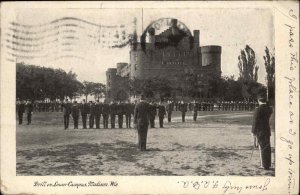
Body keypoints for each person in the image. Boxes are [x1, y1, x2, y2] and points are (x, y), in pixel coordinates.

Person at [251, 96, 273, 170]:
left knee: (262, 148)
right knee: (267, 147)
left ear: (258, 101)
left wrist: (253, 131)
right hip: (267, 130)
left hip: (260, 131)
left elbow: (255, 121)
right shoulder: (269, 109)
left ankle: (263, 165)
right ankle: (267, 164)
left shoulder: (258, 110)